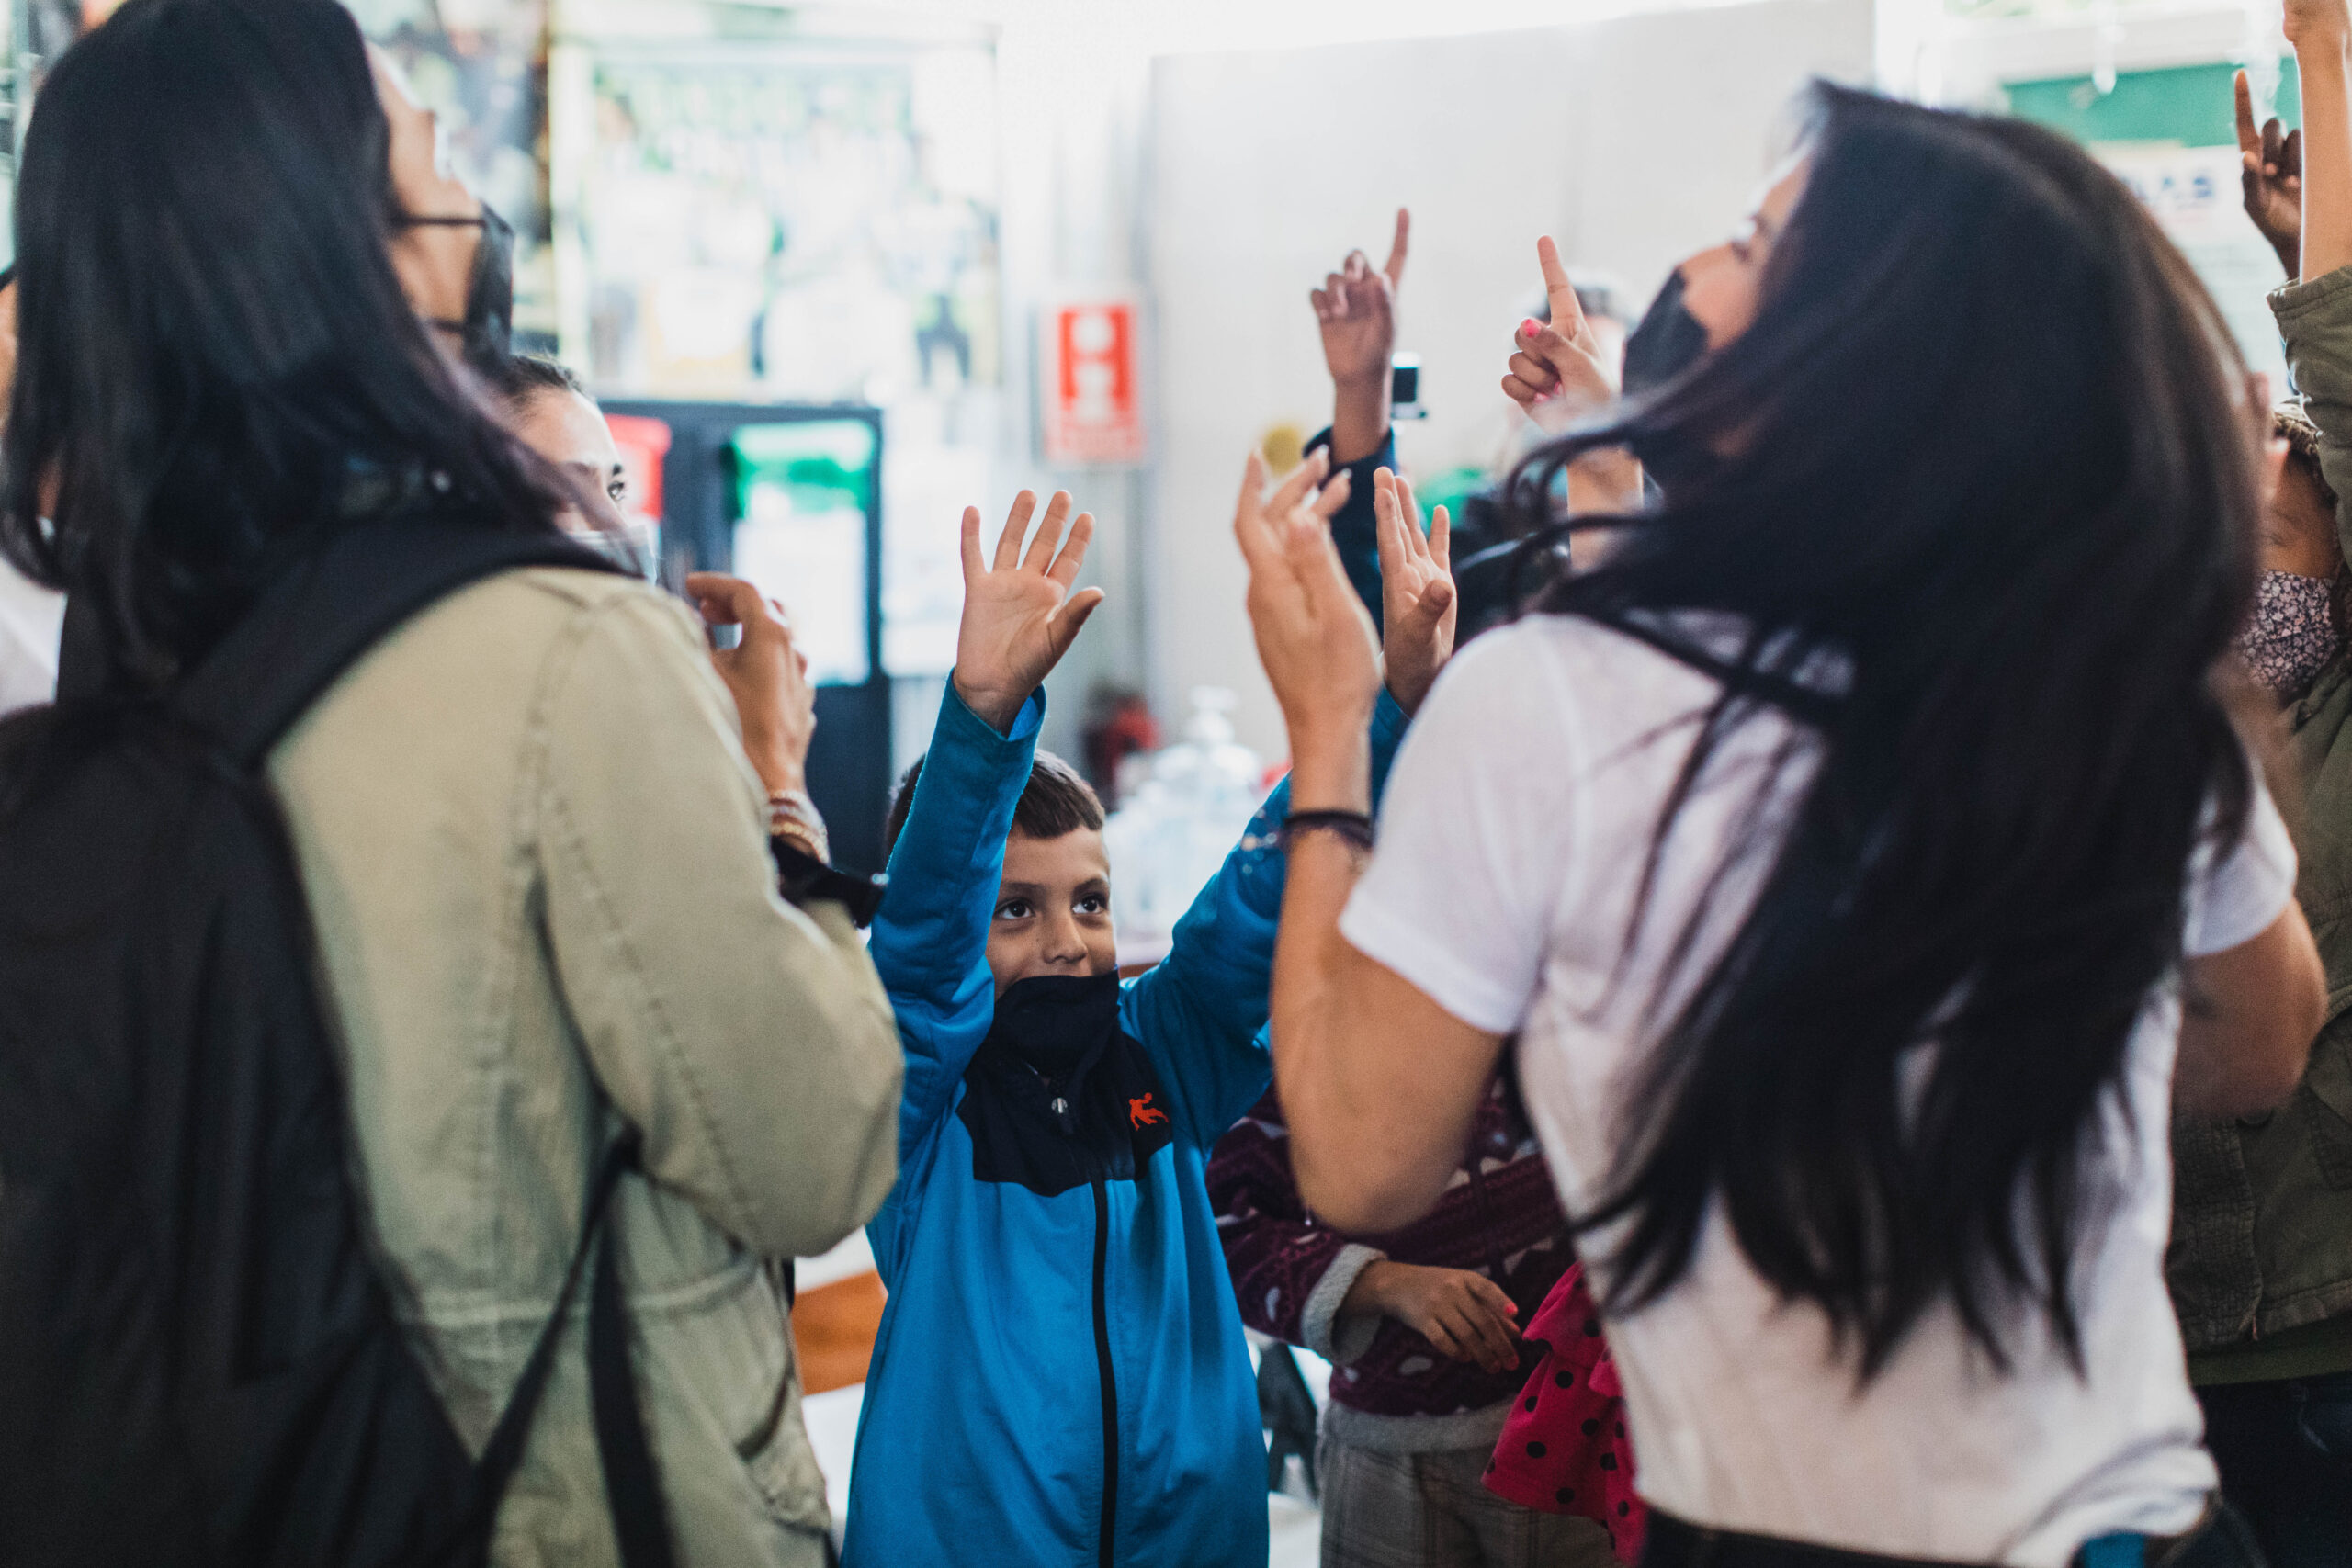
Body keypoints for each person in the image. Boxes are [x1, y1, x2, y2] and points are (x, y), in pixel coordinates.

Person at [1236, 81, 2328, 1567]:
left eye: (1754, 241)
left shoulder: (1546, 704)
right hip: (2136, 1523)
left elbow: (1364, 1161)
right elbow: (2262, 1041)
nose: (1701, 264)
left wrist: (1323, 734)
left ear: (1855, 358)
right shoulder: (2107, 676)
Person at [0, 4, 902, 1564]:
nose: (469, 205)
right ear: (346, 246)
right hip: (560, 1500)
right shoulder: (557, 647)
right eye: (429, 160)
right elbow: (813, 1151)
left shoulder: (124, 630)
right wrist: (773, 789)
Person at [841, 468, 1442, 1567]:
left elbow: (1249, 924)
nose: (1065, 939)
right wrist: (979, 723)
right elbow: (923, 965)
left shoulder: (1160, 1057)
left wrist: (1385, 712)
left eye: (1091, 901)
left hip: (1190, 1536)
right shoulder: (916, 1115)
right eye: (1013, 910)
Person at [2161, 39, 2352, 1564]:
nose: (2248, 591)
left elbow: (2345, 398)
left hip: (2332, 1322)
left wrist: (2330, 58)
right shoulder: (2122, 737)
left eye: (2280, 549)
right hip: (2152, 1350)